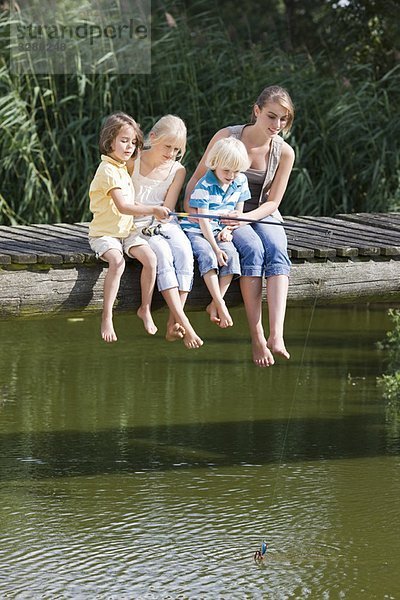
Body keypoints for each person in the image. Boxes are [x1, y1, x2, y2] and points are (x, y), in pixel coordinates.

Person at [185, 85, 295, 367]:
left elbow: (273, 203)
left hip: (258, 211)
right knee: (254, 250)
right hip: (220, 212)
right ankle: (257, 336)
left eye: (284, 119)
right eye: (271, 116)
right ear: (256, 110)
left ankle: (276, 335)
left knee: (277, 248)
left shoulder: (284, 153)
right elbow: (197, 180)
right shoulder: (228, 137)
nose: (277, 125)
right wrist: (197, 216)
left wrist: (246, 217)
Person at [88, 112, 170, 343]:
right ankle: (107, 316)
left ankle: (144, 308)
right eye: (124, 140)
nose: (129, 146)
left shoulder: (122, 168)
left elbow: (131, 205)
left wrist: (156, 209)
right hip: (105, 234)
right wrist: (154, 210)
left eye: (133, 142)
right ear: (109, 141)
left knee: (151, 260)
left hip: (126, 232)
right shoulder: (107, 170)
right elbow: (124, 206)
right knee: (117, 261)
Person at [128, 114, 203, 349]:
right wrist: (152, 214)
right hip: (135, 223)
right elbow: (125, 204)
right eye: (168, 146)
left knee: (184, 251)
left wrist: (163, 215)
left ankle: (173, 323)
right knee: (162, 252)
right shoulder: (133, 161)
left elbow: (168, 208)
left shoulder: (177, 170)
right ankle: (185, 322)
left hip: (163, 221)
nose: (171, 153)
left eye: (177, 150)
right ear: (153, 137)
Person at [181, 137, 251, 328]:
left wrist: (229, 229)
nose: (231, 175)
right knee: (207, 255)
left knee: (232, 256)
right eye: (226, 170)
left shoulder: (241, 181)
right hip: (198, 230)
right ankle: (221, 303)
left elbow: (238, 213)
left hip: (220, 230)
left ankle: (214, 303)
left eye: (236, 171)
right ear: (215, 164)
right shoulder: (204, 186)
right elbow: (203, 222)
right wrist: (215, 248)